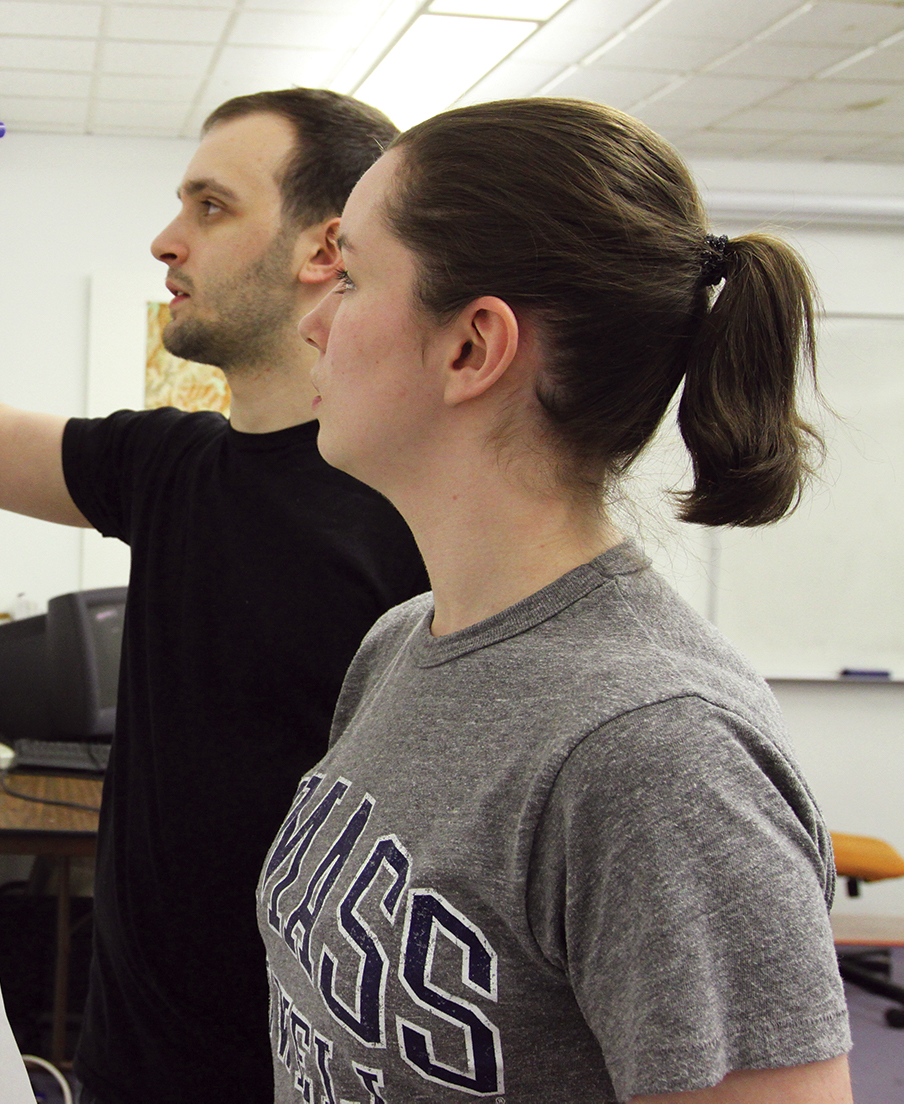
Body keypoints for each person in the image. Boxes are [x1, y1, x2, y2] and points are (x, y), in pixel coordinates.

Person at [259, 97, 851, 1103]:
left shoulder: (655, 753)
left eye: (350, 277)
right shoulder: (401, 642)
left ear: (470, 349)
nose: (312, 320)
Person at [0, 87, 429, 1101]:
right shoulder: (169, 466)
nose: (165, 241)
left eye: (210, 208)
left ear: (324, 249)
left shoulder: (415, 515)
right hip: (131, 1067)